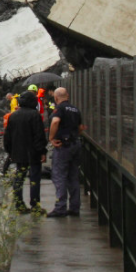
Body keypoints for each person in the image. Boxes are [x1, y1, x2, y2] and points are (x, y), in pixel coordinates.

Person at [4, 91, 47, 213]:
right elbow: (39, 135)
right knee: (34, 179)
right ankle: (35, 205)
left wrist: (10, 151)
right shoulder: (35, 115)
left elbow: (7, 137)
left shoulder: (13, 116)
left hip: (18, 152)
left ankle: (19, 204)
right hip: (33, 153)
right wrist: (42, 151)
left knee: (19, 178)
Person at [47, 87, 82, 217]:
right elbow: (80, 128)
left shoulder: (60, 109)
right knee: (73, 176)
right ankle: (74, 207)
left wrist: (51, 138)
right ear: (67, 95)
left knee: (59, 175)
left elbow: (55, 121)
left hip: (63, 145)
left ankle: (60, 207)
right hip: (75, 144)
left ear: (56, 98)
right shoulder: (75, 109)